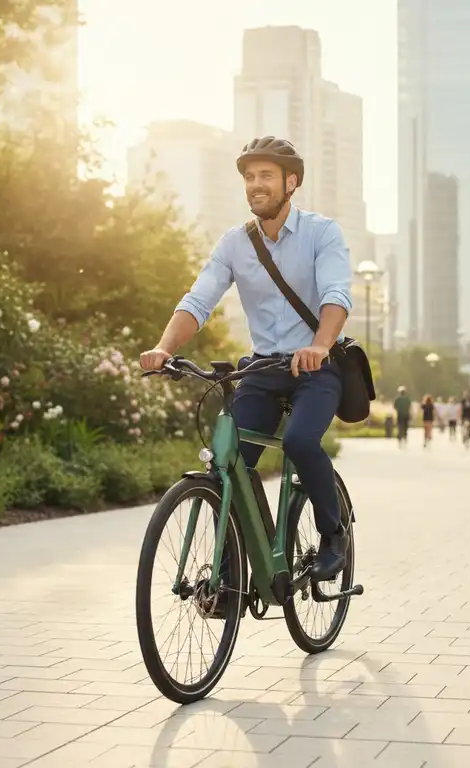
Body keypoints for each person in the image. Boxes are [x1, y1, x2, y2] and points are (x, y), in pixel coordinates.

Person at [139, 135, 352, 582]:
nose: (256, 185)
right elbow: (199, 300)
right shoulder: (235, 243)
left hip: (316, 370)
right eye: (250, 177)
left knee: (298, 442)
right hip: (261, 370)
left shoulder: (321, 232)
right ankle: (232, 571)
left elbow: (336, 294)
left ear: (290, 182)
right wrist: (165, 348)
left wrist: (319, 345)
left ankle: (334, 534)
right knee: (228, 462)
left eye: (266, 177)